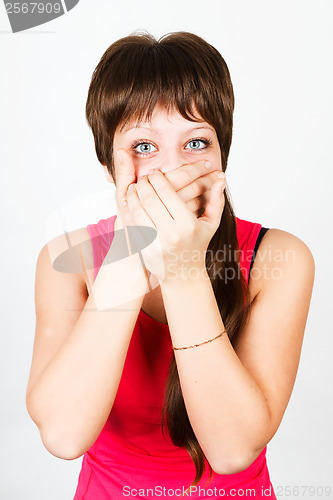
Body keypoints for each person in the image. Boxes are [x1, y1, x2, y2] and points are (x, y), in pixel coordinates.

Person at [25, 31, 315, 499]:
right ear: (108, 164)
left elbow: (232, 449)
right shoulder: (68, 259)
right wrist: (128, 259)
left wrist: (182, 268)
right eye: (143, 147)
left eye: (197, 142)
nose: (171, 169)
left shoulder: (277, 258)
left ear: (222, 157)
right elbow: (62, 435)